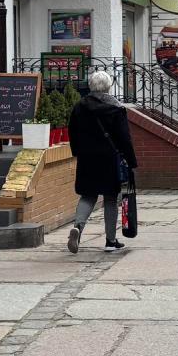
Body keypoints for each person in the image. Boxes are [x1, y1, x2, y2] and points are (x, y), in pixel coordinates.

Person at [66, 70, 138, 253]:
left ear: (90, 86)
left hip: (87, 158)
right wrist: (131, 161)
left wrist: (77, 152)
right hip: (109, 159)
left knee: (88, 195)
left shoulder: (79, 107)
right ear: (108, 87)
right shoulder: (116, 108)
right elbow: (124, 137)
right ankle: (110, 241)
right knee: (111, 198)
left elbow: (72, 132)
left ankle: (78, 227)